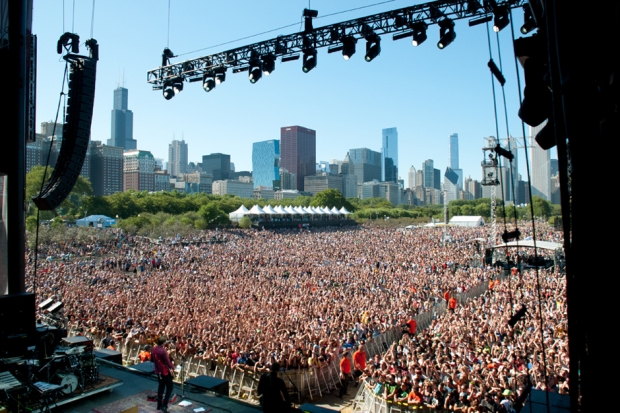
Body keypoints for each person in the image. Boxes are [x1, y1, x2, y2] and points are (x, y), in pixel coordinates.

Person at [152, 336, 175, 412]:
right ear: (164, 342)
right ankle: (164, 405)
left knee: (161, 387)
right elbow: (168, 362)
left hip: (158, 371)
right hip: (164, 372)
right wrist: (173, 367)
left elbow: (154, 359)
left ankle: (159, 405)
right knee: (170, 387)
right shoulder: (163, 351)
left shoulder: (154, 349)